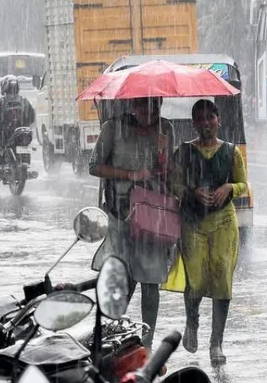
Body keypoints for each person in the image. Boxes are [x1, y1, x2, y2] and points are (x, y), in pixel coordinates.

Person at [89, 96, 175, 349]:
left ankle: (146, 344)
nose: (150, 114)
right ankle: (114, 338)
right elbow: (94, 166)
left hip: (152, 216)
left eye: (156, 108)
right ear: (133, 107)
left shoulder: (165, 129)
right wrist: (129, 174)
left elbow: (168, 171)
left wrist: (162, 154)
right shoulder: (112, 128)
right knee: (122, 278)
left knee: (150, 281)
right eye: (144, 108)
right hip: (120, 214)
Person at [171, 99, 247, 367]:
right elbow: (174, 184)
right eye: (200, 119)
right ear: (194, 124)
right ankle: (192, 323)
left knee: (222, 280)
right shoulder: (183, 152)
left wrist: (230, 189)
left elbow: (243, 184)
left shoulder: (231, 152)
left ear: (218, 120)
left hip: (224, 223)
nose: (206, 124)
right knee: (197, 280)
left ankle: (217, 343)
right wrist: (191, 193)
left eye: (210, 118)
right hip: (192, 223)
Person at [0, 75, 36, 170]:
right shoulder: (24, 101)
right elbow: (32, 117)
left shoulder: (0, 102)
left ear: (4, 87)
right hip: (22, 134)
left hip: (5, 134)